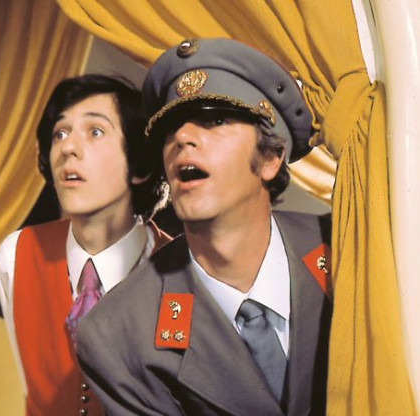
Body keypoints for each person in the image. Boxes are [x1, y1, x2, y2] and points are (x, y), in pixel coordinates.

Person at [76, 38, 333, 416]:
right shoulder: (116, 333)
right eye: (170, 129)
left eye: (215, 120)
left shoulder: (348, 248)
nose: (182, 138)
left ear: (271, 157)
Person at [0, 74, 171, 416]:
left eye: (95, 131)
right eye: (60, 133)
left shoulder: (182, 269)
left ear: (139, 163)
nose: (67, 148)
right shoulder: (15, 255)